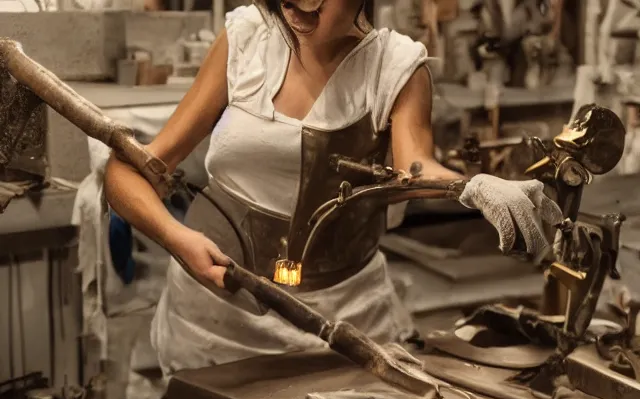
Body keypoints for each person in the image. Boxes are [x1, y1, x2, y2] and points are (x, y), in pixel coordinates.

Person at [104, 0, 562, 377]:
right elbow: (127, 171)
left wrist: (475, 187)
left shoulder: (395, 65)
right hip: (214, 321)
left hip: (341, 321)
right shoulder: (247, 38)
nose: (301, 4)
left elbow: (414, 169)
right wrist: (175, 237)